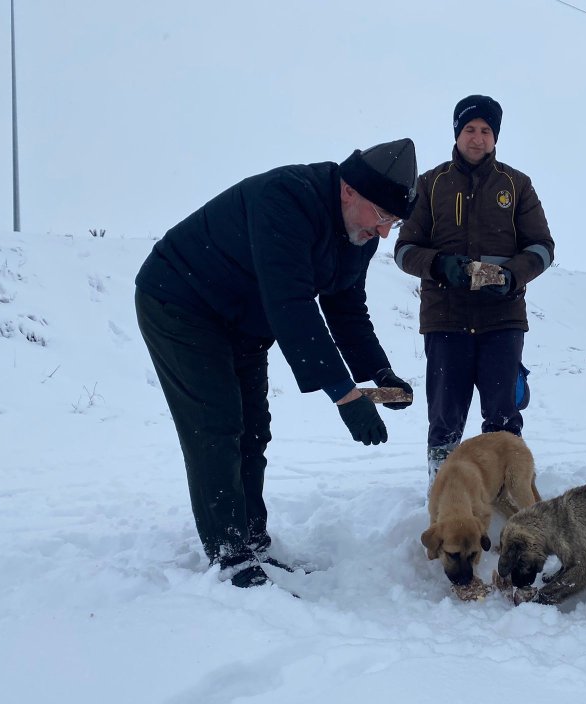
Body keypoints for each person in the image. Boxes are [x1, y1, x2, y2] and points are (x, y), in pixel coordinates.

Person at [135, 138, 418, 588]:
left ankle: (252, 542)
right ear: (348, 190)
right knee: (216, 424)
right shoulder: (286, 199)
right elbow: (292, 306)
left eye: (394, 221)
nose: (384, 232)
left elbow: (345, 306)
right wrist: (345, 396)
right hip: (183, 301)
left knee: (253, 428)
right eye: (382, 216)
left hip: (245, 320)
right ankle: (230, 554)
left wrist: (378, 371)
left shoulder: (359, 234)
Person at [394, 95, 554, 484]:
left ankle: (510, 496)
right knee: (445, 417)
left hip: (502, 319)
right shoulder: (430, 184)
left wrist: (511, 276)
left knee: (502, 416)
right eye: (470, 129)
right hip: (446, 318)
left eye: (486, 130)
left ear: (495, 137)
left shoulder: (517, 185)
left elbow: (543, 248)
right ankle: (444, 497)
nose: (478, 138)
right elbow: (403, 250)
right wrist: (440, 265)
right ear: (457, 133)